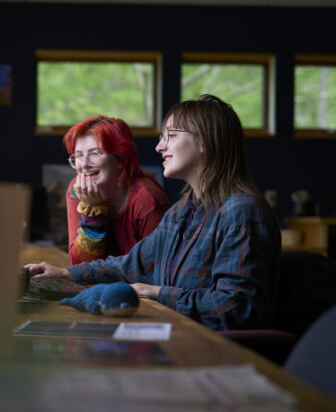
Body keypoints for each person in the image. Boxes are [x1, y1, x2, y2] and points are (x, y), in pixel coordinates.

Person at [27, 95, 281, 331]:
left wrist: (157, 292)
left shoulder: (242, 213)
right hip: (178, 333)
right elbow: (131, 264)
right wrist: (65, 273)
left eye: (170, 136)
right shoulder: (182, 212)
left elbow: (236, 310)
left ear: (205, 142)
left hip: (211, 350)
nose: (160, 147)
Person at [63, 115, 171, 265]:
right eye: (79, 155)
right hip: (97, 283)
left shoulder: (147, 200)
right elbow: (80, 265)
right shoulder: (77, 191)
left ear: (121, 159)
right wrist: (92, 211)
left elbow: (158, 270)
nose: (85, 164)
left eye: (95, 153)